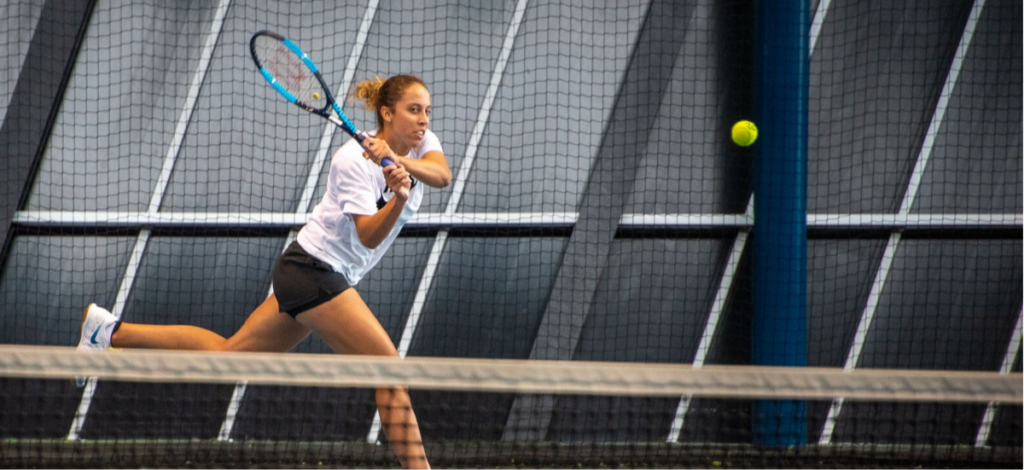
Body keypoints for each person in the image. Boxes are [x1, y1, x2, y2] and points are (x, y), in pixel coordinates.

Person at [76, 74, 450, 469]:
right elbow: (369, 237)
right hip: (313, 269)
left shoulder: (419, 144)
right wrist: (396, 199)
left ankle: (108, 330)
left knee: (228, 357)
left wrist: (397, 164)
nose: (423, 119)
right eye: (413, 110)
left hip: (317, 273)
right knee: (388, 369)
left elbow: (442, 175)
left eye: (427, 111)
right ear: (387, 113)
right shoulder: (350, 162)